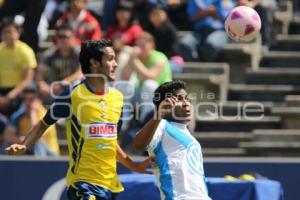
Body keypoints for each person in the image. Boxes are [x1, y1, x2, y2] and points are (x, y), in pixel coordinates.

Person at [5, 39, 152, 200]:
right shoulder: (73, 95)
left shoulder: (117, 98)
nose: (115, 64)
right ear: (94, 63)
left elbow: (112, 143)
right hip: (82, 184)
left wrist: (134, 166)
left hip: (110, 184)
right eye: (110, 59)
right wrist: (24, 145)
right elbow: (43, 123)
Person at [133, 80, 212, 200]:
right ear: (165, 105)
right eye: (179, 99)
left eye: (187, 99)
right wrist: (159, 115)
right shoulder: (162, 125)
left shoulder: (188, 135)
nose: (186, 103)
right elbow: (138, 145)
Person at [4, 87, 60, 156]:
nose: (28, 102)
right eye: (25, 99)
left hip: (50, 154)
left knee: (38, 144)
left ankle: (39, 166)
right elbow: (7, 137)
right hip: (27, 148)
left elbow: (37, 136)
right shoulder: (18, 115)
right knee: (7, 146)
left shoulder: (47, 115)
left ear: (39, 101)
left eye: (31, 99)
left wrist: (33, 112)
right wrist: (21, 141)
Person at [36, 24, 83, 103]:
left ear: (73, 37)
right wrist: (42, 85)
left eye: (66, 36)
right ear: (56, 39)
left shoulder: (79, 53)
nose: (63, 40)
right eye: (60, 37)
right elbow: (39, 76)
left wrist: (61, 84)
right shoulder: (49, 54)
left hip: (72, 86)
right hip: (52, 89)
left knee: (78, 83)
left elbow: (81, 72)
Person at [0, 17, 37, 116]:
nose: (8, 35)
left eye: (10, 32)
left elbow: (28, 79)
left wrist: (10, 96)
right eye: (5, 32)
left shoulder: (25, 51)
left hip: (19, 91)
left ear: (18, 33)